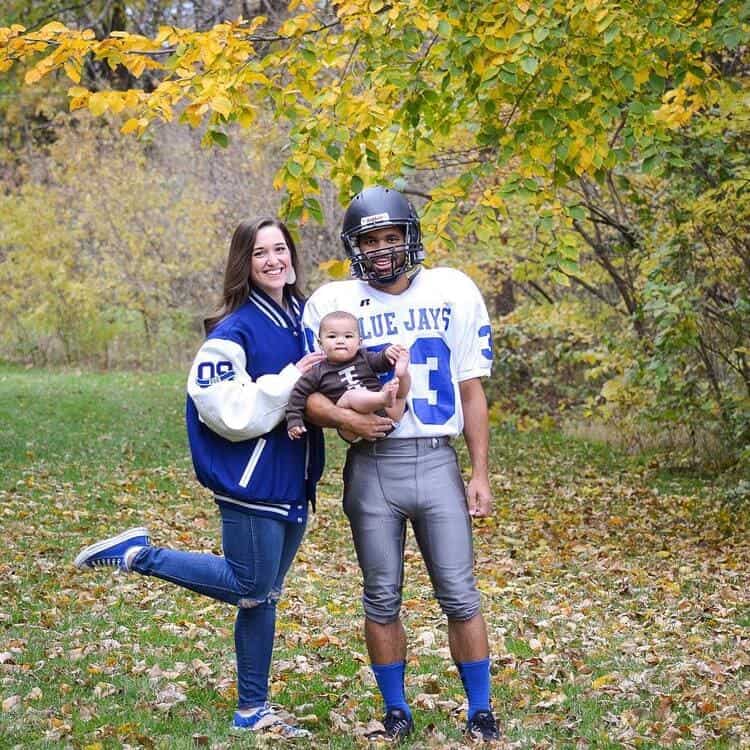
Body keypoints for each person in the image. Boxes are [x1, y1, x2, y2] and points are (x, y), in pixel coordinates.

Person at [74, 217, 326, 738]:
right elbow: (228, 412)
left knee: (263, 595)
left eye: (281, 248)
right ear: (244, 262)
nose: (274, 259)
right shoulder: (231, 332)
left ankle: (252, 709)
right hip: (252, 479)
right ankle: (138, 555)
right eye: (261, 253)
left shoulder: (304, 316)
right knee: (249, 584)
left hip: (294, 479)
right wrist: (290, 381)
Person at [302, 186, 499, 741]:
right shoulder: (333, 305)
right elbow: (308, 388)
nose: (384, 249)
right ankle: (396, 709)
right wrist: (345, 421)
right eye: (371, 240)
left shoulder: (453, 289)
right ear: (354, 247)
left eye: (392, 237)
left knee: (460, 593)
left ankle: (479, 708)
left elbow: (470, 388)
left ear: (410, 238)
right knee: (381, 594)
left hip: (437, 460)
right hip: (372, 465)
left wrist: (479, 472)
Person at [286, 310, 411, 442]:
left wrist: (387, 355)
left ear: (359, 342)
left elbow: (380, 363)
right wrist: (294, 420)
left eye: (348, 336)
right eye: (332, 337)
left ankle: (402, 374)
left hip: (387, 416)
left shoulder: (364, 357)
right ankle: (382, 397)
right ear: (320, 343)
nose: (340, 341)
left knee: (397, 389)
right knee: (351, 395)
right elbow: (298, 394)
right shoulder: (317, 371)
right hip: (352, 427)